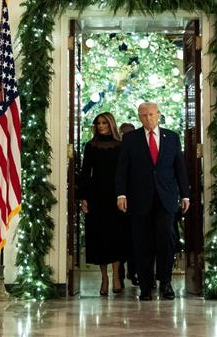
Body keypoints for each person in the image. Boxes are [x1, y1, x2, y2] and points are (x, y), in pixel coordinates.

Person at [116, 102, 190, 301]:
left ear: (158, 115)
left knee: (166, 236)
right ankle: (146, 286)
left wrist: (185, 195)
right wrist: (121, 194)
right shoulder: (130, 139)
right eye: (144, 115)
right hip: (139, 198)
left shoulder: (172, 137)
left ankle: (165, 282)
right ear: (139, 117)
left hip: (166, 198)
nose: (148, 118)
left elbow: (179, 168)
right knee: (142, 242)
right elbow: (122, 169)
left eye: (151, 114)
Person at [78, 112, 126, 296]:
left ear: (111, 124)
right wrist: (84, 197)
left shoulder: (121, 146)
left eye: (104, 122)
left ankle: (115, 276)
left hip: (116, 197)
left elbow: (125, 172)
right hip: (96, 196)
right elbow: (84, 173)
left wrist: (125, 195)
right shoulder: (90, 146)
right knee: (99, 237)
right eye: (98, 123)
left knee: (117, 237)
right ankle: (104, 277)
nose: (101, 126)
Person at [117, 122, 138, 286]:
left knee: (133, 239)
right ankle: (121, 273)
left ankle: (133, 272)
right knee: (122, 239)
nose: (126, 136)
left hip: (135, 202)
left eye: (128, 133)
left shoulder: (137, 148)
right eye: (123, 133)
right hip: (118, 201)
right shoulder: (116, 148)